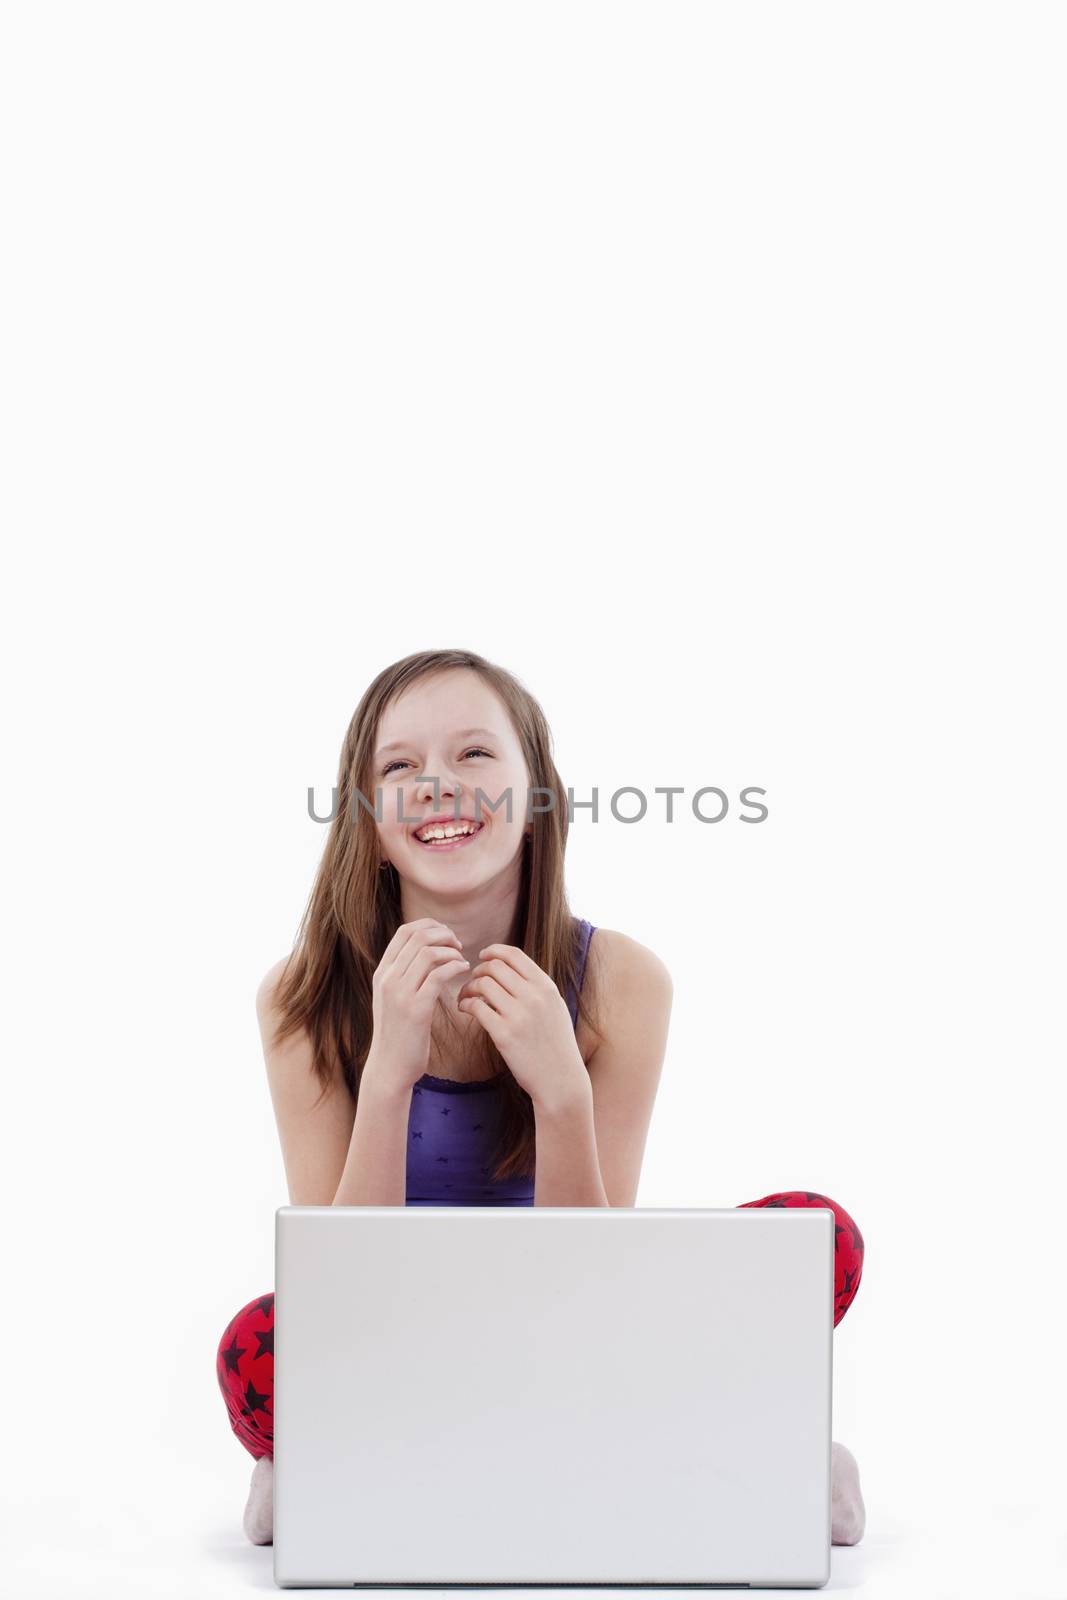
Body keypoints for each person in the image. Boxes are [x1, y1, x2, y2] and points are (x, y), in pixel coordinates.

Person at [216, 647, 866, 1547]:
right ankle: (723, 1451)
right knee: (260, 1339)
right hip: (392, 1348)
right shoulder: (302, 998)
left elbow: (593, 1279)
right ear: (368, 822)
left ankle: (758, 1448)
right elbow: (334, 1288)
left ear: (536, 801)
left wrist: (560, 1091)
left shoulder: (621, 980)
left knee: (813, 1233)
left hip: (576, 1343)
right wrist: (388, 1073)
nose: (437, 785)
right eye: (399, 766)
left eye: (474, 755)